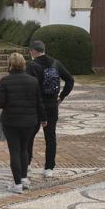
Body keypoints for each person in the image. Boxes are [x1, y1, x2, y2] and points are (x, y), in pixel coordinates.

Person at [0, 52, 46, 194]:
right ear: (24, 64)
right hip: (30, 122)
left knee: (15, 151)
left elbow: (0, 103)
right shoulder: (33, 81)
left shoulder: (5, 81)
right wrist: (44, 118)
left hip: (11, 121)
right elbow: (39, 102)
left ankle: (17, 184)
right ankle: (24, 178)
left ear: (10, 64)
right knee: (24, 149)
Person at [26, 39, 74, 179]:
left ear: (34, 51)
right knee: (50, 137)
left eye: (31, 51)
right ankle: (49, 168)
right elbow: (70, 80)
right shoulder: (56, 63)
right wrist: (62, 97)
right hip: (52, 105)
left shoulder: (32, 66)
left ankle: (27, 163)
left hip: (35, 106)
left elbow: (27, 86)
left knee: (29, 135)